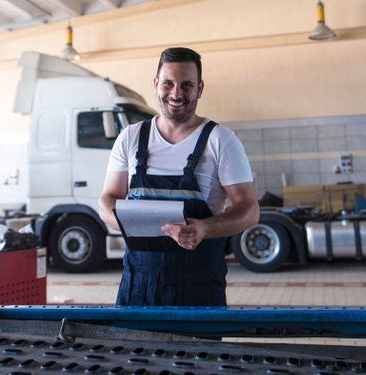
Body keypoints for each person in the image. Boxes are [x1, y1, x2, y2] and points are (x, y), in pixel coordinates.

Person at [98, 47, 259, 307]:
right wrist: (128, 223)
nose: (176, 94)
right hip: (137, 292)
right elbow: (108, 199)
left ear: (200, 89)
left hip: (198, 293)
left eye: (186, 85)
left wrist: (205, 228)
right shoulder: (130, 137)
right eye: (168, 83)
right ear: (155, 85)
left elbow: (249, 210)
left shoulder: (221, 140)